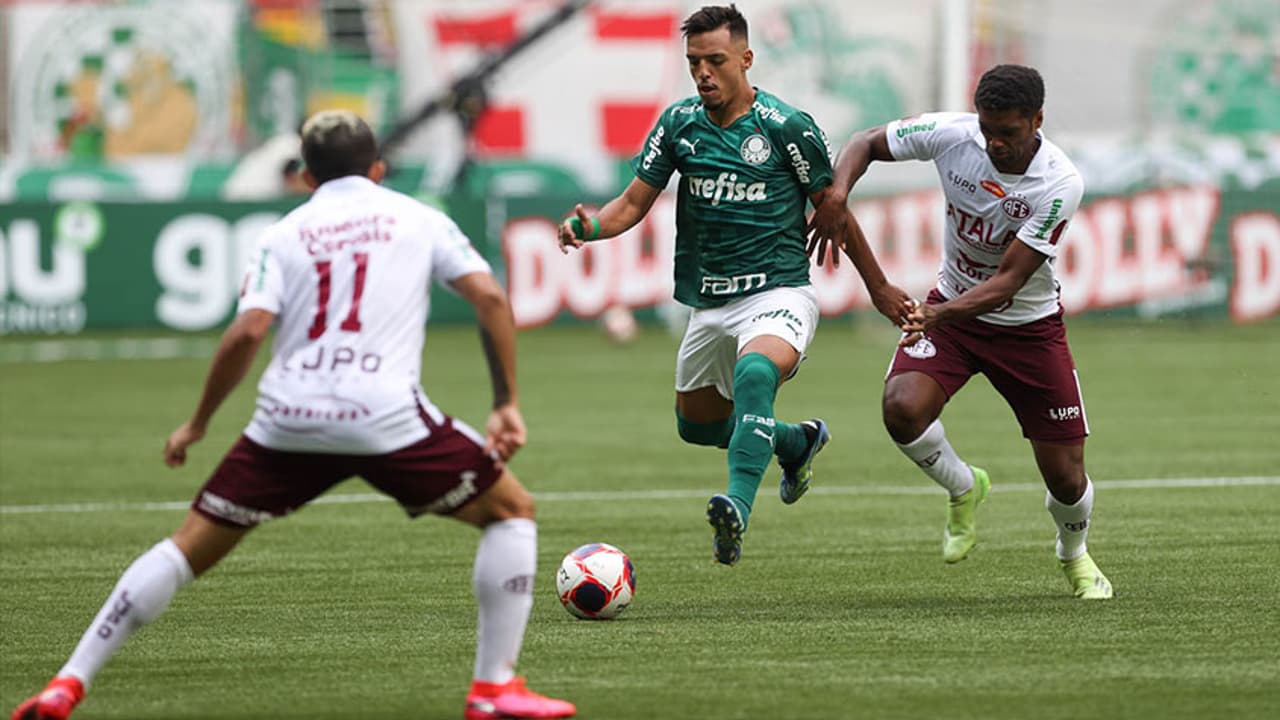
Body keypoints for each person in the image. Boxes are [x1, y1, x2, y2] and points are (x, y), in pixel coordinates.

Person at [11, 110, 576, 720]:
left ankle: (68, 682)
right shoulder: (419, 219)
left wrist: (198, 422)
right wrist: (504, 402)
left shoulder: (284, 233)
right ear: (380, 169)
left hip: (288, 421)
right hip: (383, 416)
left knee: (184, 550)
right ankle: (492, 689)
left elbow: (247, 332)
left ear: (306, 176)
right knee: (512, 511)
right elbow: (490, 297)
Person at [557, 4, 910, 567]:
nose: (703, 73)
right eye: (694, 61)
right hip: (710, 302)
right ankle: (795, 443)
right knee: (696, 427)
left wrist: (880, 288)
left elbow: (834, 210)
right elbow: (630, 204)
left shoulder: (787, 127)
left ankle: (737, 509)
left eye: (715, 61)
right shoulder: (678, 124)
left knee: (754, 374)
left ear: (745, 59)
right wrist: (589, 227)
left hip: (778, 293)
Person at [808, 64, 1114, 599]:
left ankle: (1074, 554)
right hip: (952, 310)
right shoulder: (954, 134)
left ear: (1037, 121)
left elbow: (1008, 284)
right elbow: (864, 142)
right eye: (987, 128)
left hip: (1027, 328)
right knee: (901, 407)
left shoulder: (1060, 182)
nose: (994, 142)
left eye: (1009, 133)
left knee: (1065, 477)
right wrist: (838, 193)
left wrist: (936, 315)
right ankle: (965, 487)